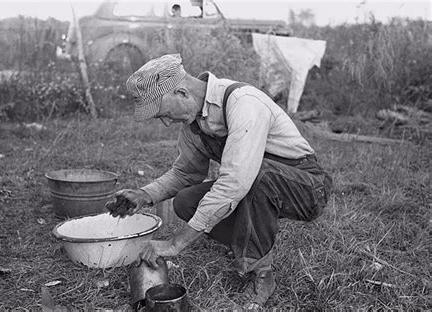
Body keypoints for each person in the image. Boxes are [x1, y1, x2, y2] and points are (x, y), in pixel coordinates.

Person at [117, 54, 332, 309]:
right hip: (258, 185)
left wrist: (176, 243)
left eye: (164, 114)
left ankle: (261, 273)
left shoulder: (244, 103)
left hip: (307, 188)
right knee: (186, 202)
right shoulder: (193, 125)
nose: (165, 123)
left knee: (255, 177)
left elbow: (235, 183)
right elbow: (185, 174)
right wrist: (144, 195)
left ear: (182, 92)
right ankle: (246, 242)